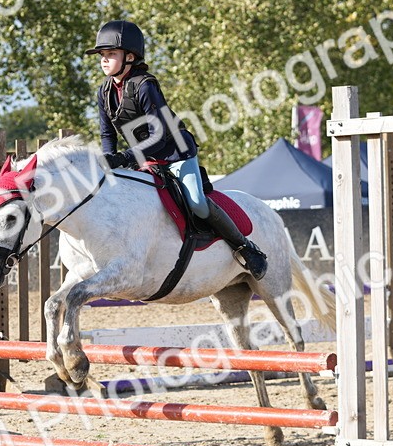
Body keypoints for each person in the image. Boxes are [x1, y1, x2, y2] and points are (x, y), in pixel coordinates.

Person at [86, 19, 268, 279]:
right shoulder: (104, 91)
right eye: (102, 55)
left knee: (197, 203)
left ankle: (246, 248)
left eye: (111, 54)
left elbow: (159, 135)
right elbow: (107, 134)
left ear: (130, 56)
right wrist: (108, 159)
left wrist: (124, 157)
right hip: (143, 157)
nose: (104, 60)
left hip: (175, 152)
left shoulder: (145, 85)